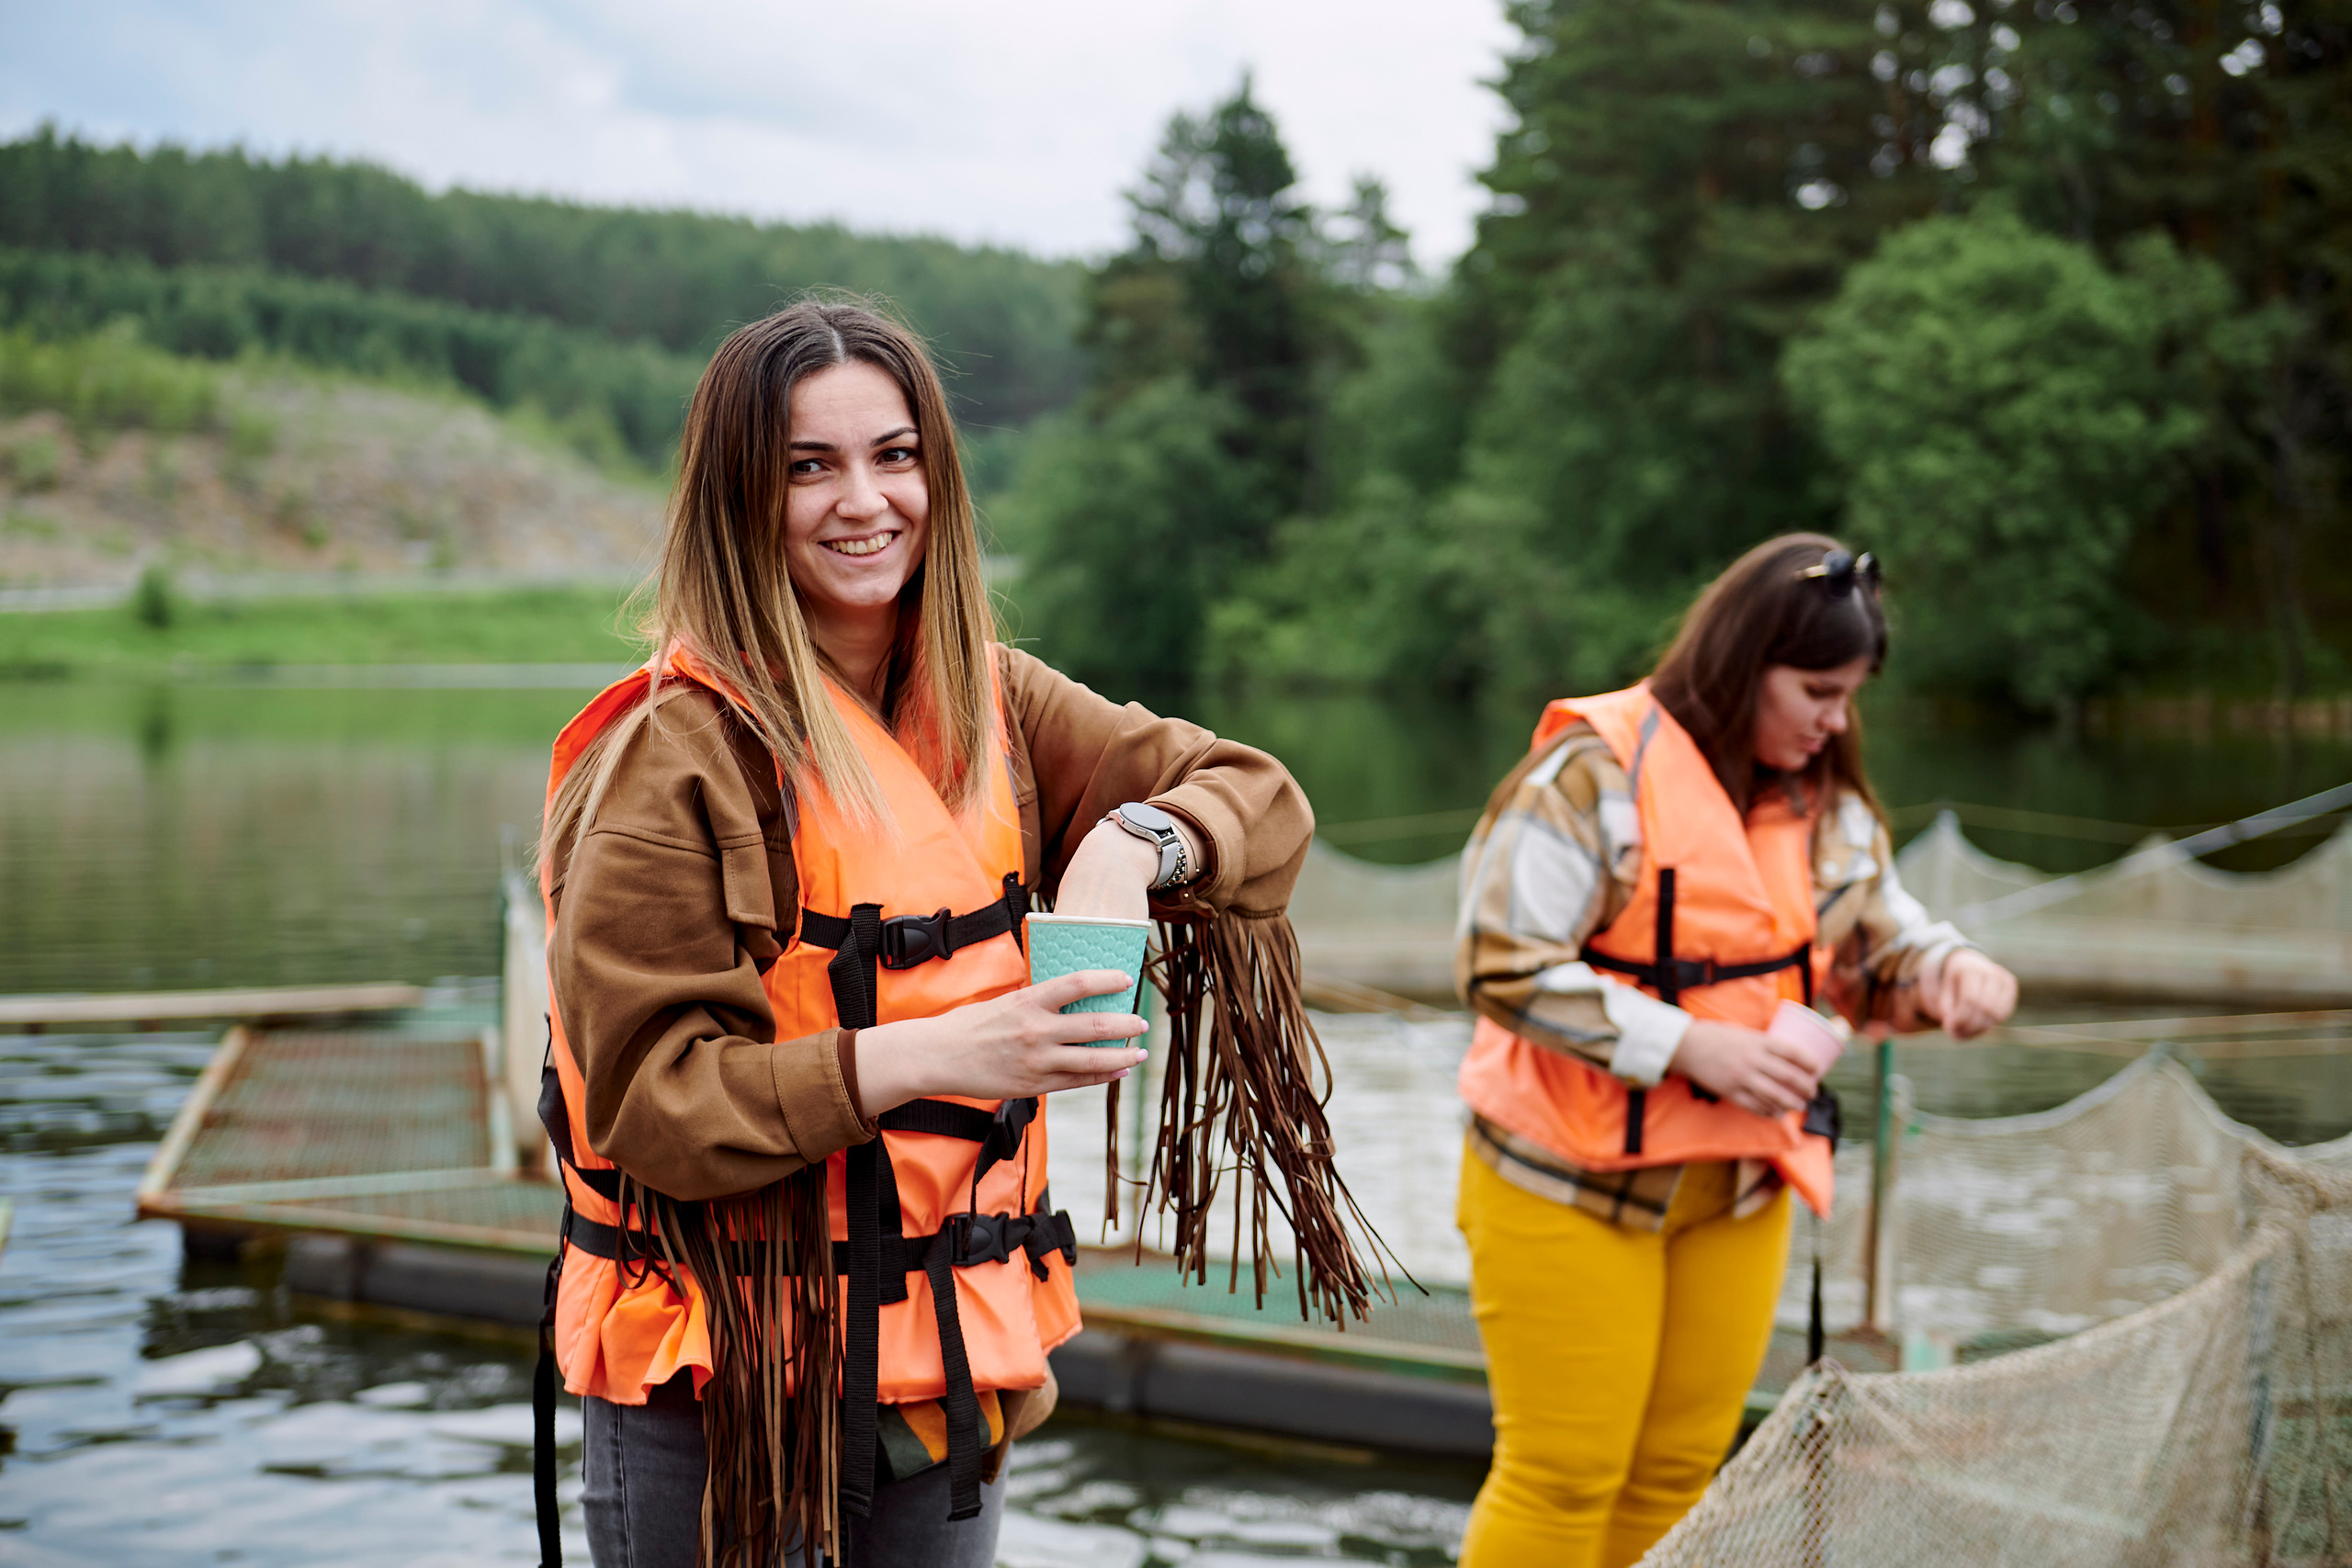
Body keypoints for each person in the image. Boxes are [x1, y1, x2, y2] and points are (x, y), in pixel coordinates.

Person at [534, 300, 1317, 1568]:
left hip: (943, 1379)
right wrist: (950, 1050)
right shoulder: (666, 758)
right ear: (740, 499)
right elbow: (651, 1106)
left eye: (894, 455)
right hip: (721, 1393)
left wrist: (1133, 843)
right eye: (809, 466)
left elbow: (1261, 798)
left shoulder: (998, 698)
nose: (864, 499)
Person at [1450, 534, 2018, 1567]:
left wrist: (1949, 973)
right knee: (1562, 1476)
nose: (1835, 720)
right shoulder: (1591, 772)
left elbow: (1879, 945)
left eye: (1848, 696)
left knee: (1679, 1476)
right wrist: (1687, 1046)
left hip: (1740, 1184)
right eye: (1816, 690)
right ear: (1742, 662)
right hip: (1565, 1181)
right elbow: (1497, 963)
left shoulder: (1828, 805)